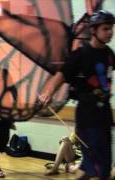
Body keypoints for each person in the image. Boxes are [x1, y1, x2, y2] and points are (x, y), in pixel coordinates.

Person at [39, 10, 114, 179]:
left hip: (104, 113)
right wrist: (48, 92)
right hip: (88, 114)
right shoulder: (81, 55)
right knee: (97, 165)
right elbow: (61, 75)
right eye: (106, 28)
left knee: (102, 163)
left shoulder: (109, 54)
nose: (110, 32)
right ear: (93, 30)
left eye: (111, 28)